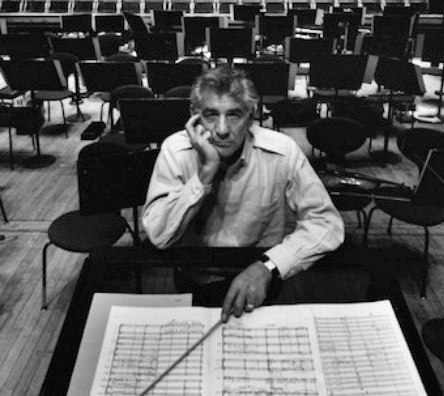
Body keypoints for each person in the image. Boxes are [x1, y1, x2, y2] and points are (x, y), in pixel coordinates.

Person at [142, 67, 344, 321]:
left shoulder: (283, 151)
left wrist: (270, 265)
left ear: (251, 116)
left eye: (234, 115)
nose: (222, 130)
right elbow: (159, 236)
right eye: (211, 115)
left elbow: (327, 224)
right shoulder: (176, 150)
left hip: (261, 277)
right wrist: (204, 173)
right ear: (195, 117)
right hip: (195, 277)